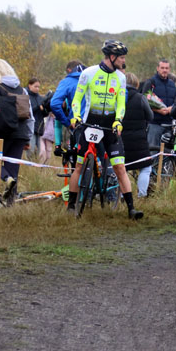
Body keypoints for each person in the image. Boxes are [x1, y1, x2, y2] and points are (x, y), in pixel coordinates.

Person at [67, 40, 143, 219]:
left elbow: (121, 103)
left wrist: (118, 121)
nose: (123, 61)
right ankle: (71, 206)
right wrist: (76, 116)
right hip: (89, 122)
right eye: (121, 57)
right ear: (111, 56)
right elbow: (77, 99)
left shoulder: (121, 78)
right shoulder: (88, 73)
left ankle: (131, 209)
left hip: (110, 125)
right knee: (78, 166)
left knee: (120, 167)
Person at [0, 58, 34, 201]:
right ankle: (10, 203)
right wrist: (28, 136)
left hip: (0, 133)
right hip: (21, 133)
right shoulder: (22, 90)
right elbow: (30, 117)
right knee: (13, 167)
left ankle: (6, 178)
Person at [121, 72, 154, 197]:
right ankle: (141, 194)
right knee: (145, 168)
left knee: (121, 169)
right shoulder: (141, 98)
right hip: (139, 140)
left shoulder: (117, 97)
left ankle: (122, 195)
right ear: (136, 84)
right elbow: (150, 116)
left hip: (121, 139)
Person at [140, 59, 176, 149]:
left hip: (168, 125)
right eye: (162, 68)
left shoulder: (172, 84)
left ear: (169, 69)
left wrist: (171, 108)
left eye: (166, 68)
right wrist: (159, 110)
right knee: (153, 152)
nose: (164, 70)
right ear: (157, 68)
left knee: (167, 154)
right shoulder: (150, 82)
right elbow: (143, 101)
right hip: (154, 124)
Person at [26, 77, 45, 160]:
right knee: (31, 149)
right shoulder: (26, 96)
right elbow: (27, 111)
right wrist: (38, 107)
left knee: (39, 151)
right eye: (35, 86)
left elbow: (44, 114)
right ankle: (29, 166)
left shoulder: (40, 98)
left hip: (39, 127)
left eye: (38, 87)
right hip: (30, 127)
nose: (37, 89)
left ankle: (35, 167)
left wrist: (45, 109)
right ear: (30, 86)